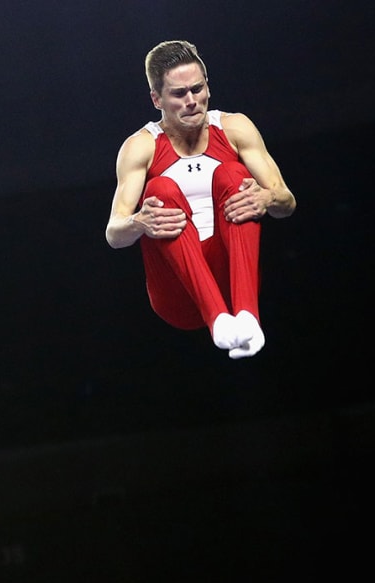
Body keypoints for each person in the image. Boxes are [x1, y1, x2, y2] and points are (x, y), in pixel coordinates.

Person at [105, 40, 296, 359]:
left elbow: (286, 201)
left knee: (233, 175)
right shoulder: (141, 147)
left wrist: (265, 199)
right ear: (157, 99)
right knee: (159, 190)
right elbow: (114, 233)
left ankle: (247, 316)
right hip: (177, 294)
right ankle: (217, 319)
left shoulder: (235, 128)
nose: (192, 101)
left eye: (198, 88)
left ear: (208, 86)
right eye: (179, 94)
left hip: (232, 277)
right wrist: (139, 221)